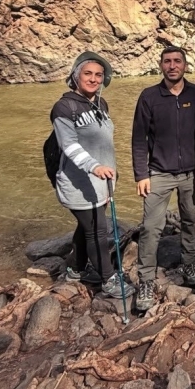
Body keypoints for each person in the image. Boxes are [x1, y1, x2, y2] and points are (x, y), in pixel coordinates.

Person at [52, 51, 132, 299]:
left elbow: (104, 145)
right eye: (88, 73)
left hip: (101, 183)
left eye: (99, 75)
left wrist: (110, 179)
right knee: (97, 230)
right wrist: (94, 166)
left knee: (86, 226)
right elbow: (69, 145)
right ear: (76, 76)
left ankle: (75, 269)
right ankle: (108, 279)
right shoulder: (64, 107)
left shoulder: (100, 104)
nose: (94, 79)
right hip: (78, 183)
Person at [132, 46, 195, 310]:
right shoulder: (149, 96)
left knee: (190, 220)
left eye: (177, 61)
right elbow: (139, 139)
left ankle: (188, 264)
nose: (172, 65)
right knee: (151, 227)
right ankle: (145, 280)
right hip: (159, 173)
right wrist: (141, 174)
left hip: (192, 173)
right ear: (161, 65)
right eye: (167, 61)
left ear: (185, 65)